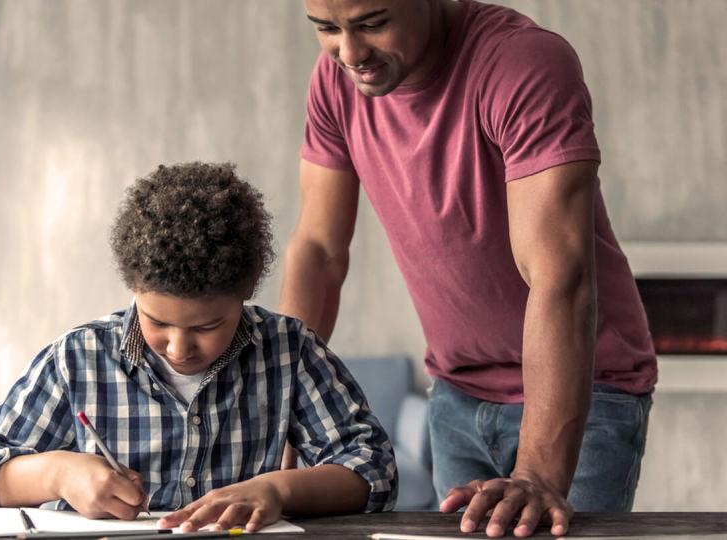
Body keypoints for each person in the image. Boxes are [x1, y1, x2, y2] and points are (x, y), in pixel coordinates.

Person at [280, 0, 657, 537]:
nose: (351, 52)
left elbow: (559, 277)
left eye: (372, 24)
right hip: (455, 392)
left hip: (585, 390)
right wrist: (279, 406)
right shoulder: (334, 84)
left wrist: (538, 476)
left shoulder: (522, 63)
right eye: (326, 29)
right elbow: (319, 250)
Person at [0, 162, 397, 532]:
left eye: (208, 326)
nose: (180, 347)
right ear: (134, 288)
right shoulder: (77, 361)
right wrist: (58, 473)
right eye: (157, 321)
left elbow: (372, 468)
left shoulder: (288, 351)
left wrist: (278, 490)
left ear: (244, 294)